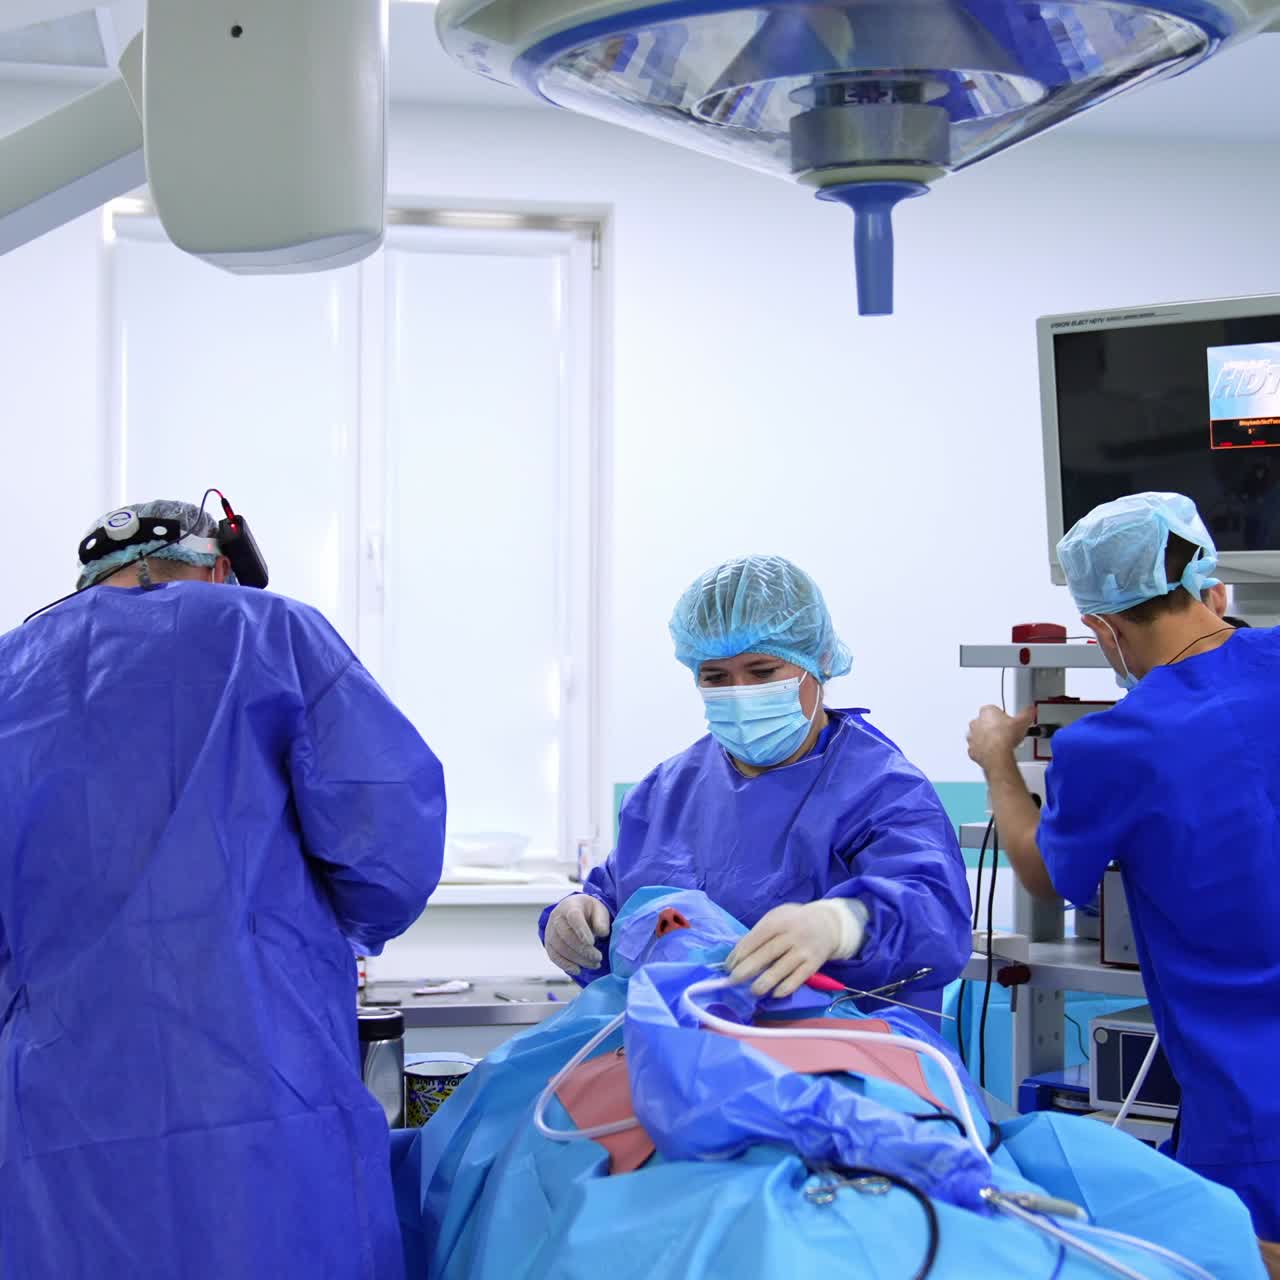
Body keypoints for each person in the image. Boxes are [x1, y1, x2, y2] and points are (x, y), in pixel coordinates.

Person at [0, 500, 447, 1280]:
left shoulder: (12, 671)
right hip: (262, 1080)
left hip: (60, 1104)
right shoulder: (271, 633)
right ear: (219, 566)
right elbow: (389, 851)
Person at [966, 491, 1280, 1243]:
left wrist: (997, 763)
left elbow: (1045, 876)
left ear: (1101, 630)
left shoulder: (1113, 744)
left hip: (1250, 1109)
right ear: (1216, 588)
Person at [542, 555, 970, 1018]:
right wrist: (581, 916)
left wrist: (842, 924)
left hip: (842, 1065)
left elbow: (936, 918)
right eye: (716, 677)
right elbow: (626, 912)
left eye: (763, 672)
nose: (740, 691)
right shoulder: (665, 793)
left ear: (820, 663)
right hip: (683, 1059)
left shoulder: (881, 790)